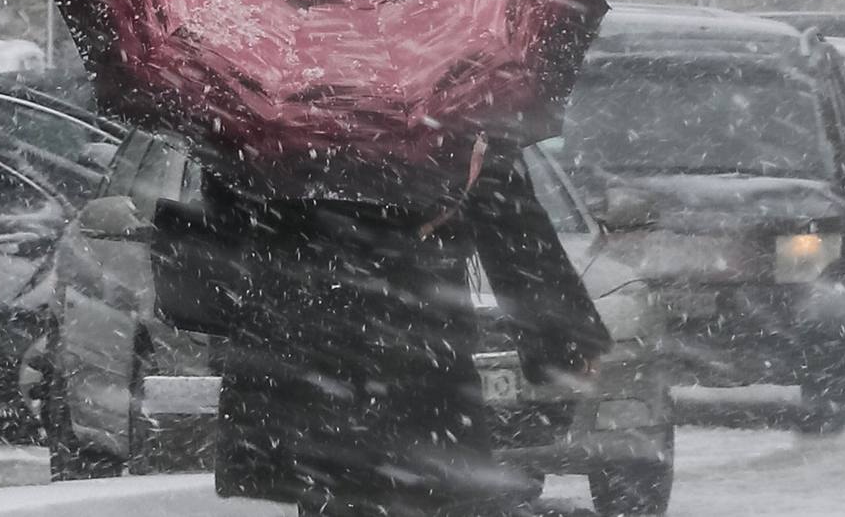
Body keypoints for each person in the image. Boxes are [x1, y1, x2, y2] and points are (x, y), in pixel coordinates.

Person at [185, 142, 612, 517]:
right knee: (421, 486)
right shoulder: (438, 85)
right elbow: (507, 212)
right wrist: (561, 339)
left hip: (309, 340)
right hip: (415, 338)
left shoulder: (274, 100)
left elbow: (228, 219)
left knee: (333, 490)